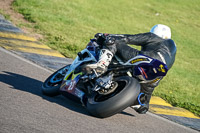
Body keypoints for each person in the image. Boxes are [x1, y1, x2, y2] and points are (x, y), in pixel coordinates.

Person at [85, 24, 177, 114]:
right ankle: (139, 103)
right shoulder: (172, 51)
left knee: (113, 41)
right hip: (157, 74)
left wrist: (107, 36)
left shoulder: (153, 37)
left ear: (154, 32)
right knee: (143, 103)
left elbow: (127, 38)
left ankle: (102, 65)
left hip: (146, 59)